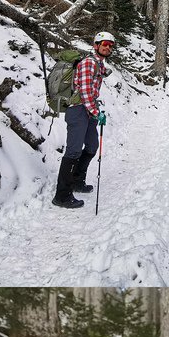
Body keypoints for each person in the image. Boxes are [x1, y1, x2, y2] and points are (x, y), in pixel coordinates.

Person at [52, 31, 115, 209]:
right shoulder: (88, 63)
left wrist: (95, 111)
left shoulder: (98, 64)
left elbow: (95, 84)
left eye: (111, 45)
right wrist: (96, 112)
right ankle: (62, 195)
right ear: (96, 45)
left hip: (88, 110)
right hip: (78, 110)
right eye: (104, 43)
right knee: (73, 151)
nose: (107, 47)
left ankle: (78, 181)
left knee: (92, 147)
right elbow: (86, 92)